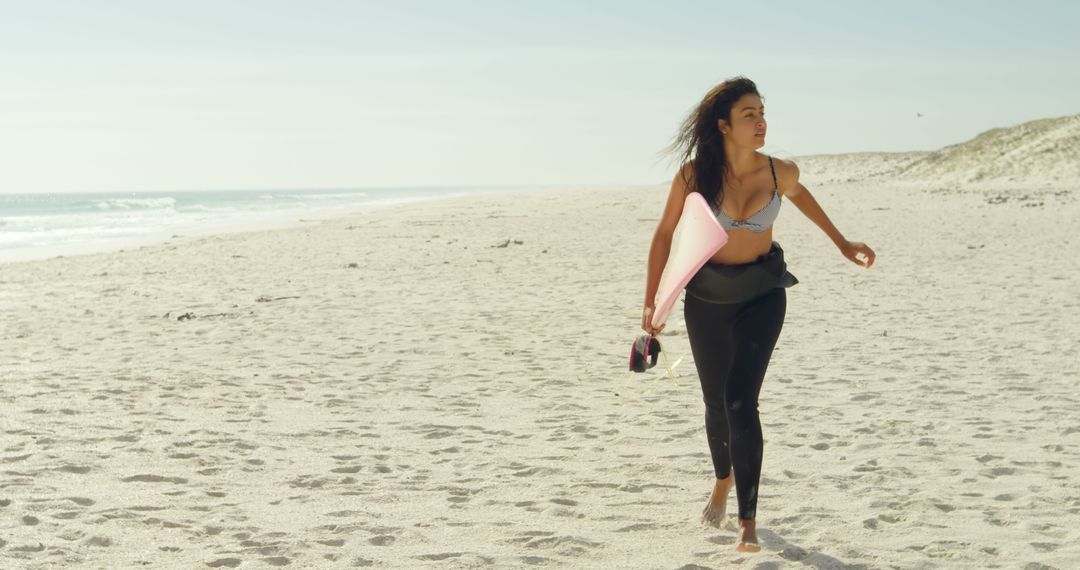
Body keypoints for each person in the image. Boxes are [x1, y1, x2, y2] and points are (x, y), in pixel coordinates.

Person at [641, 76, 876, 552]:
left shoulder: (778, 172)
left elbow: (802, 195)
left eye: (762, 112)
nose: (761, 121)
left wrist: (842, 242)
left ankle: (748, 521)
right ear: (725, 125)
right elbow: (666, 233)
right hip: (706, 300)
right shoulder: (695, 176)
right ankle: (722, 481)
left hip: (763, 296)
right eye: (749, 114)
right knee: (713, 404)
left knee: (739, 400)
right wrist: (653, 299)